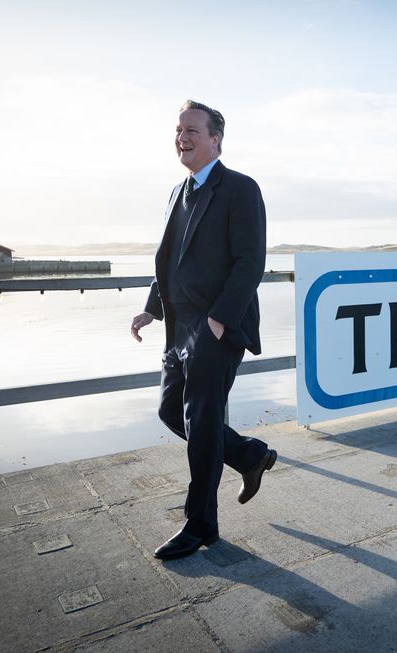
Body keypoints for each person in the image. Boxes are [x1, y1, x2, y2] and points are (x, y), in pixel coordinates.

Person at [130, 100, 277, 560]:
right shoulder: (178, 191)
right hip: (178, 326)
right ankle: (250, 456)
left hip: (215, 325)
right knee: (172, 413)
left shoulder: (240, 188)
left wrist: (219, 318)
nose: (182, 136)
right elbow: (170, 260)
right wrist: (151, 309)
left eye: (192, 129)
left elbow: (250, 261)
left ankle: (200, 526)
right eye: (178, 130)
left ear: (216, 138)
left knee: (201, 420)